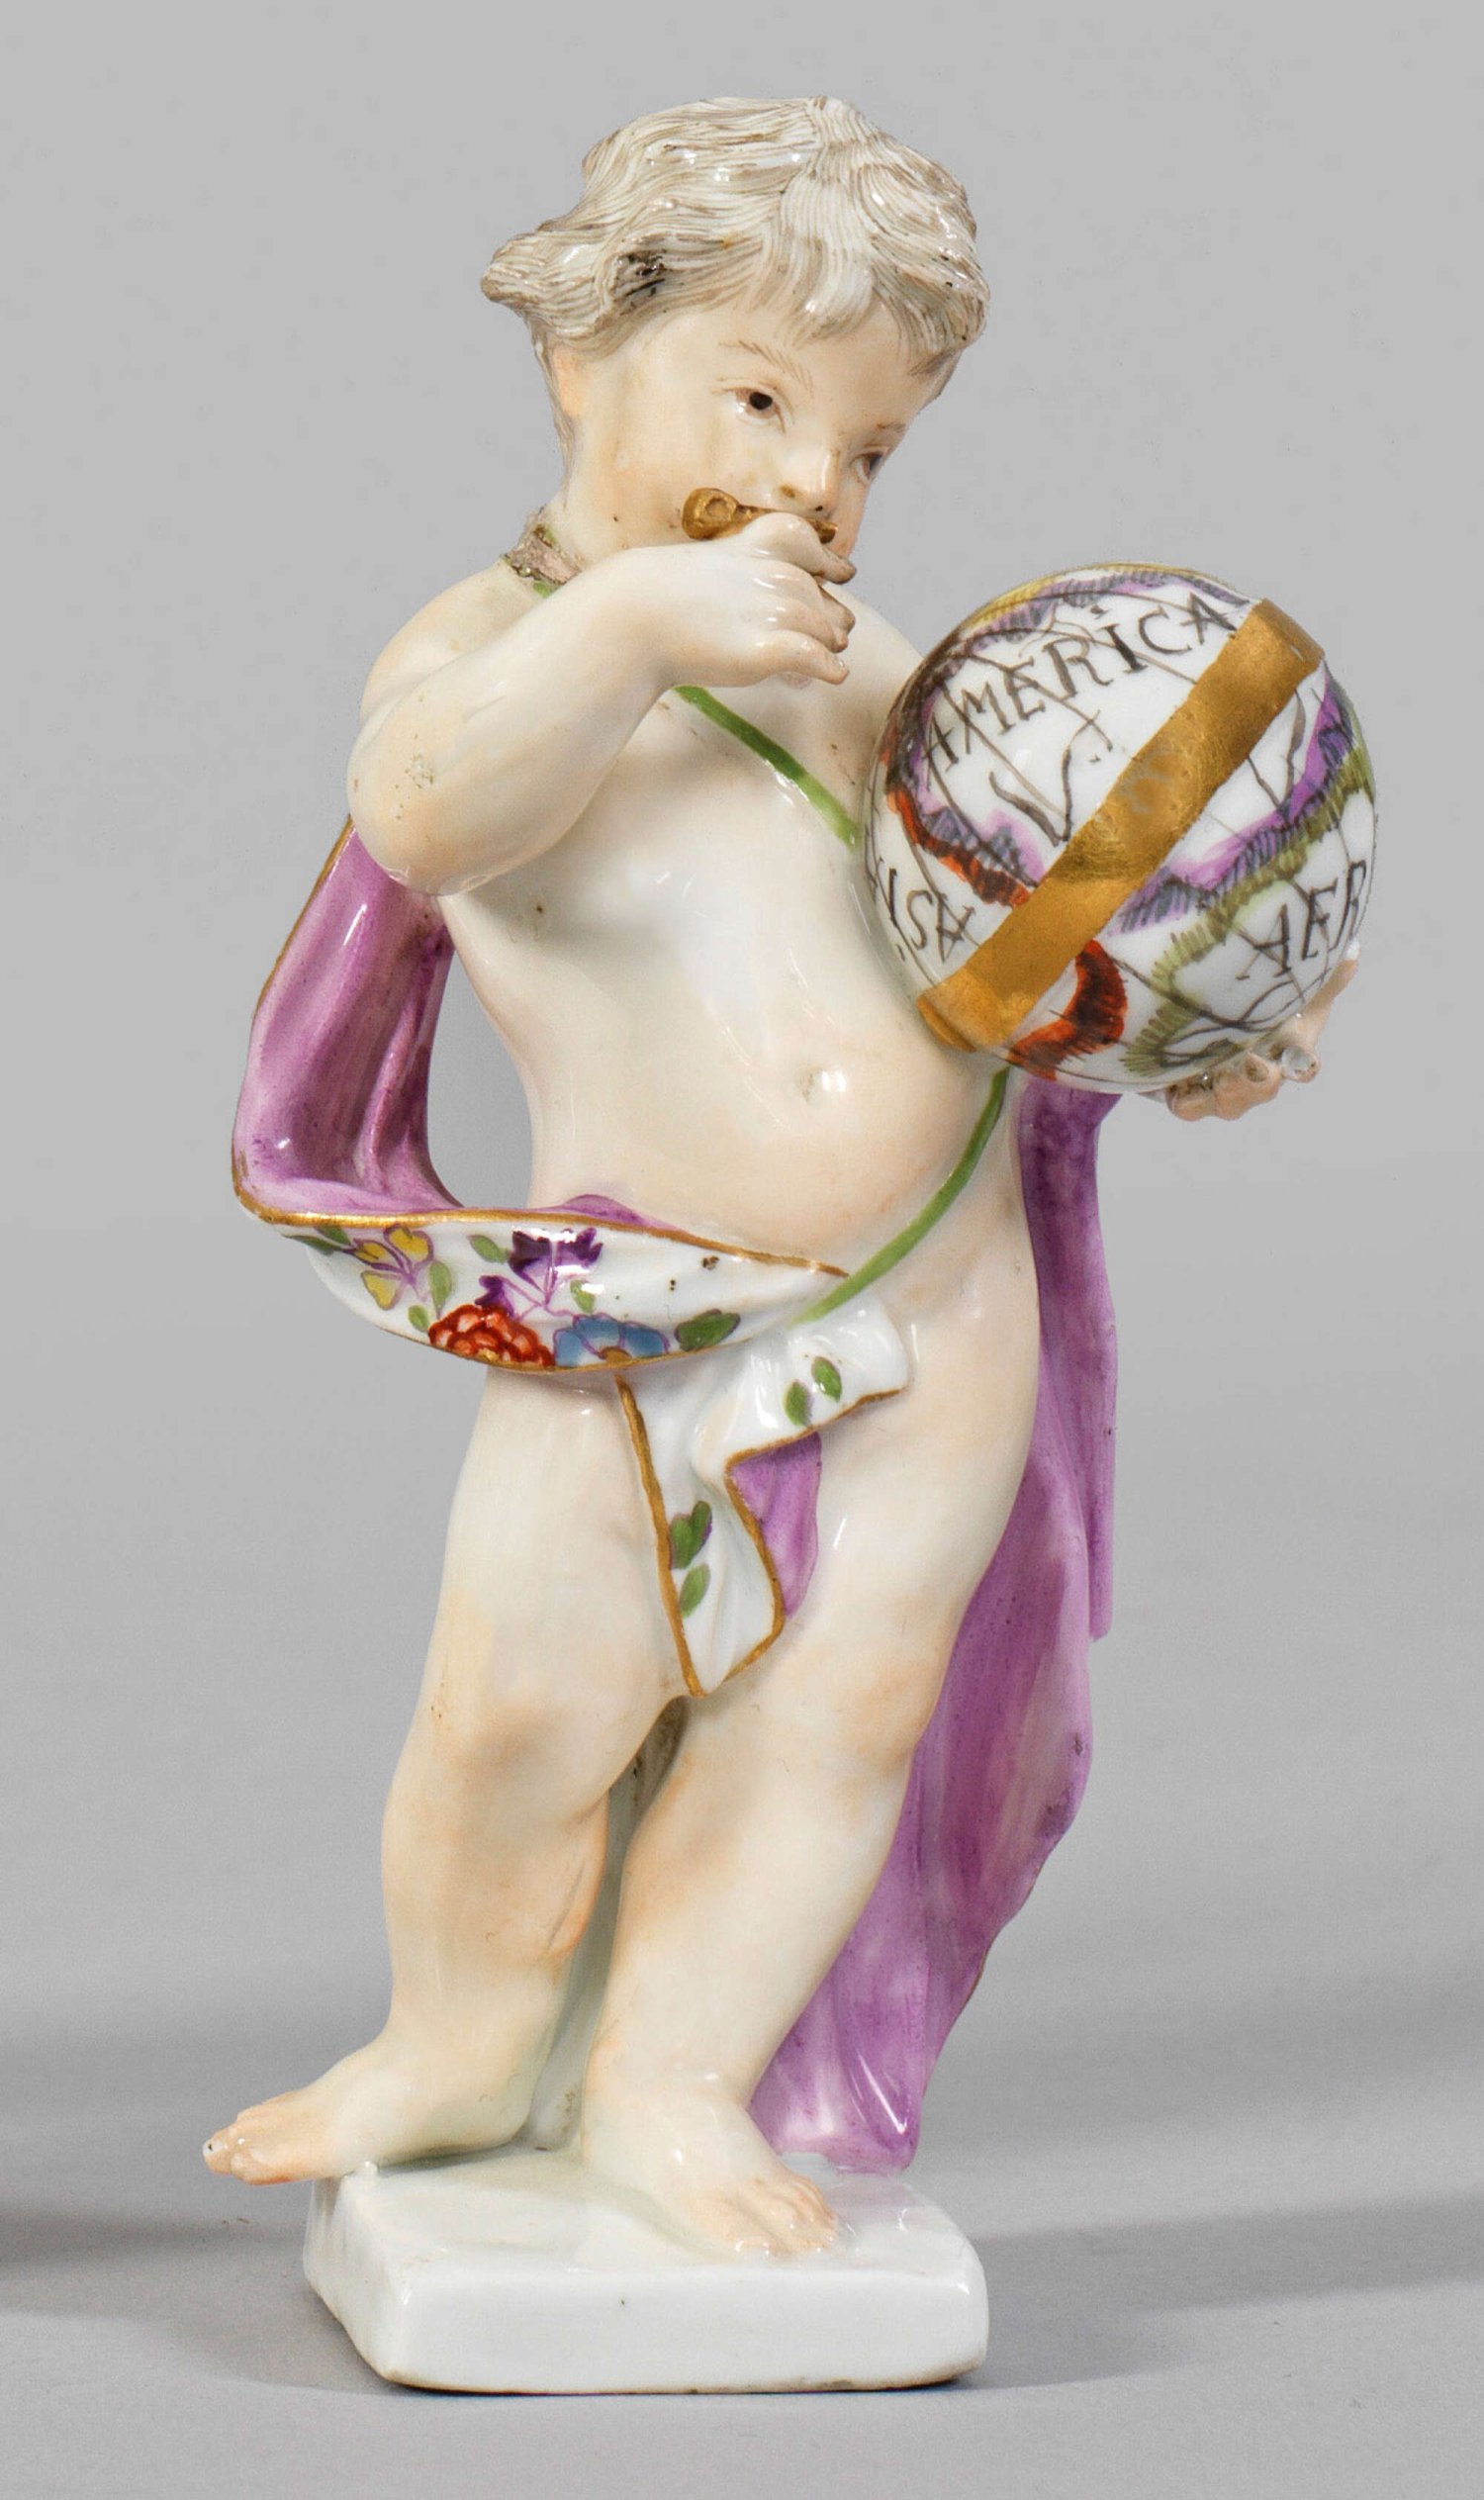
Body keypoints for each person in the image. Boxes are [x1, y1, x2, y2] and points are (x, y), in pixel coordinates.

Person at [206, 96, 1351, 2254]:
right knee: (520, 1711)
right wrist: (632, 626)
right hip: (647, 1314)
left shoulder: (870, 672)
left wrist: (1196, 1010)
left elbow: (1034, 911)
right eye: (760, 401)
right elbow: (428, 810)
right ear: (580, 354)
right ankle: (457, 2040)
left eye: (872, 447)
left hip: (936, 1293)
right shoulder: (486, 650)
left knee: (837, 1715)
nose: (819, 481)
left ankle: (670, 2082)